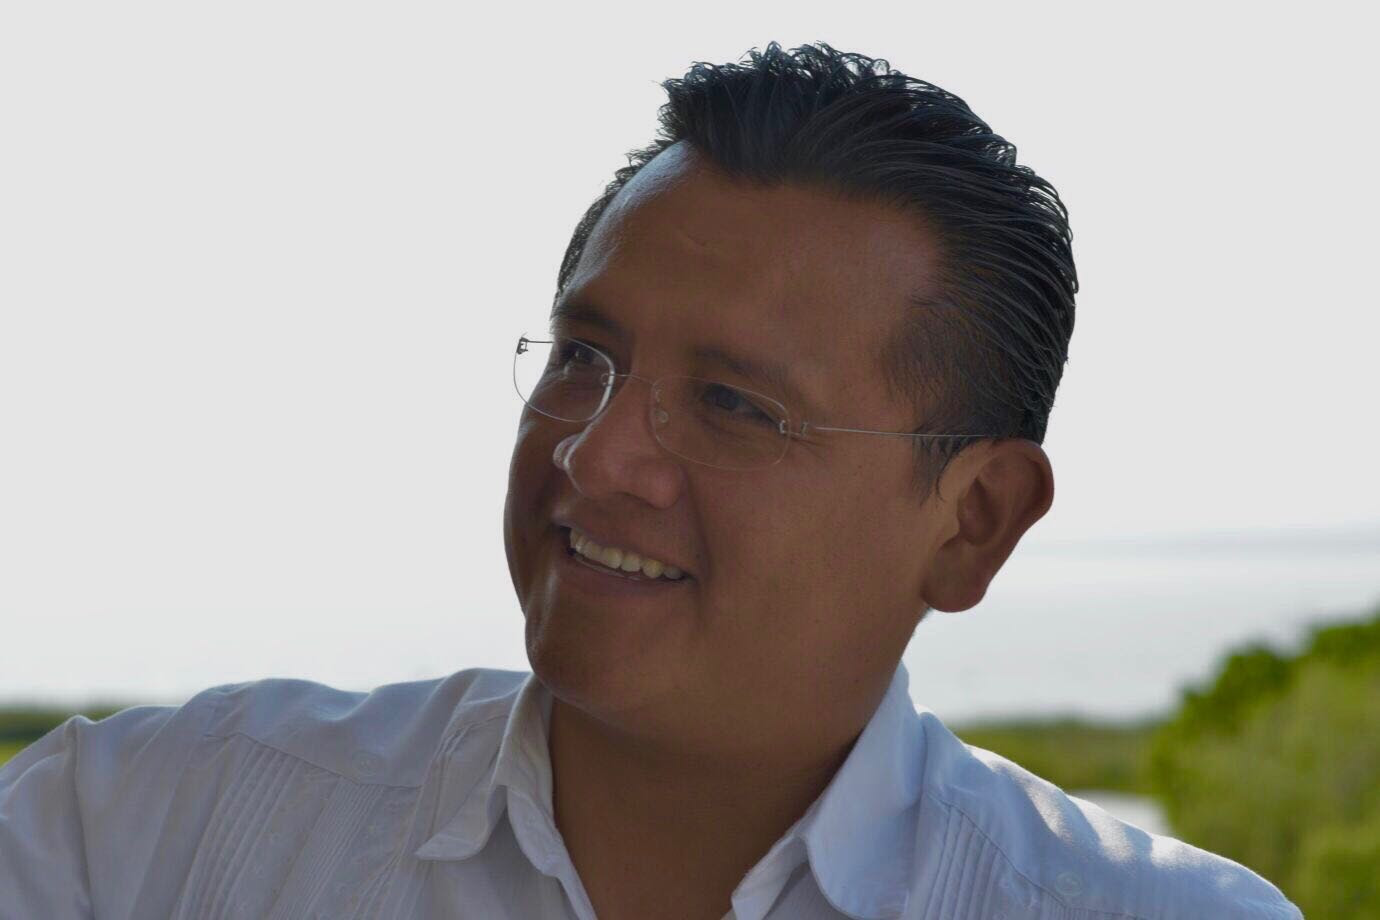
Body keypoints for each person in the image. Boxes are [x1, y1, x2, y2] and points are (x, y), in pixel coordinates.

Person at [0, 42, 1302, 920]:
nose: (596, 454)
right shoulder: (135, 833)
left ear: (974, 524)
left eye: (735, 405)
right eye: (585, 357)